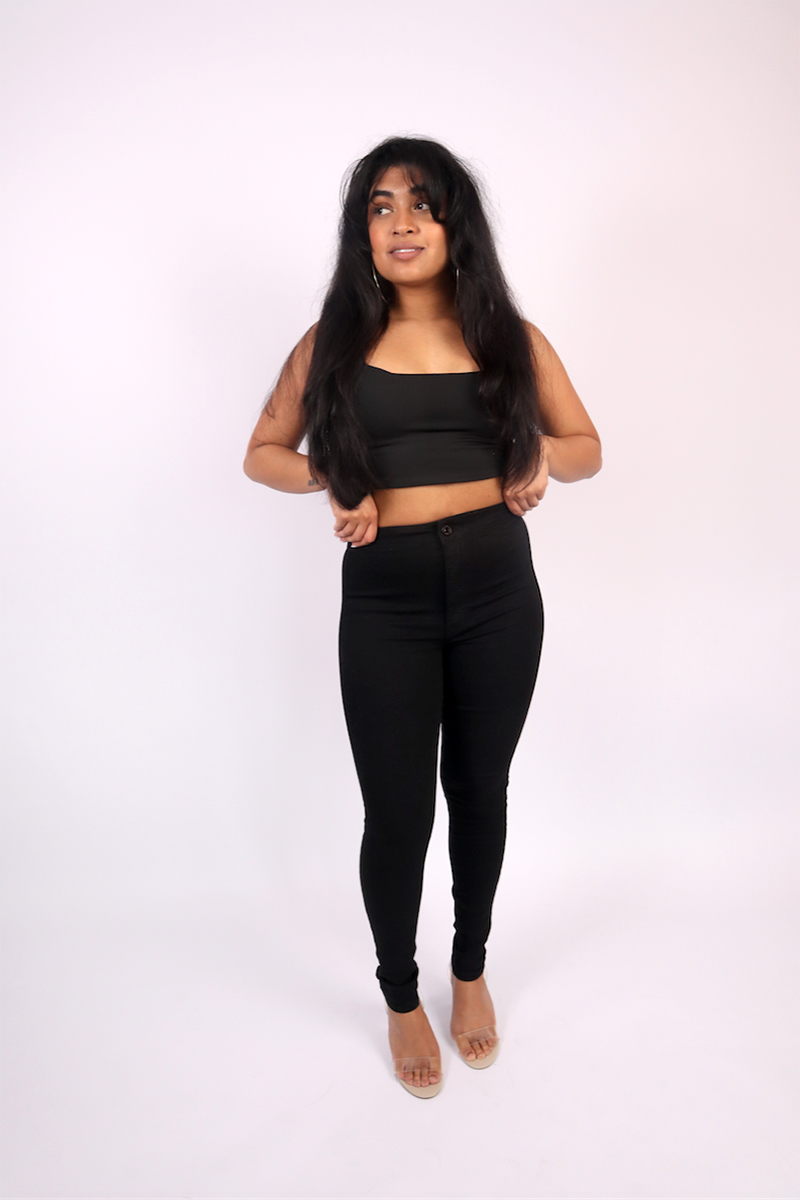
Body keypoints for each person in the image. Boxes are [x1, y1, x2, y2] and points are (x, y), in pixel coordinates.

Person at [243, 136, 601, 1099]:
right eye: (381, 206)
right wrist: (329, 475)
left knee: (480, 792)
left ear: (455, 226)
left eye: (423, 204)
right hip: (387, 600)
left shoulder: (510, 338)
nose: (402, 222)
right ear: (362, 231)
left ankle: (469, 970)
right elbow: (262, 454)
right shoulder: (330, 343)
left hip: (498, 594)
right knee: (398, 811)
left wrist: (540, 459)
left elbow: (586, 447)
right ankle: (401, 994)